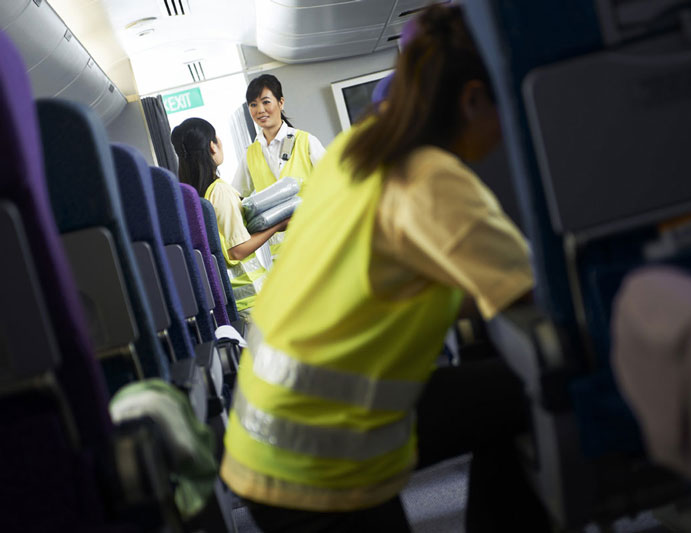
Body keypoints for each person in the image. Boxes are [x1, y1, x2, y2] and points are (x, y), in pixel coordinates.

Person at [221, 5, 550, 532]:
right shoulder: (435, 180)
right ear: (471, 100)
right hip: (316, 460)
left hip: (265, 430)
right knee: (539, 385)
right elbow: (539, 304)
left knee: (500, 396)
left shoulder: (355, 149)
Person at [171, 118, 284, 317]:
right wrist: (278, 224)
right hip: (252, 299)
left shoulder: (190, 195)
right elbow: (237, 251)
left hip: (231, 300)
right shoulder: (220, 191)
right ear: (212, 146)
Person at [232, 73, 326, 261]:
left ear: (281, 103)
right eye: (253, 105)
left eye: (266, 102)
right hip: (284, 256)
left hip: (318, 241)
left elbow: (335, 184)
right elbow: (236, 196)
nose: (260, 110)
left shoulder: (305, 141)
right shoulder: (250, 153)